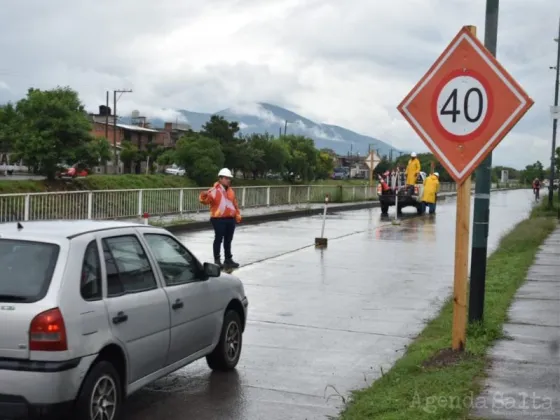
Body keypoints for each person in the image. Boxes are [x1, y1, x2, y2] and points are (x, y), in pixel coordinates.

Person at [199, 168, 242, 269]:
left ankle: (228, 259)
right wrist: (203, 195)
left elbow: (234, 204)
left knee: (228, 239)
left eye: (229, 178)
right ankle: (217, 260)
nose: (228, 180)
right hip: (218, 218)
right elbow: (205, 201)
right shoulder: (214, 190)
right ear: (220, 179)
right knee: (219, 238)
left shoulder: (231, 191)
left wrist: (237, 214)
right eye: (226, 178)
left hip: (230, 218)